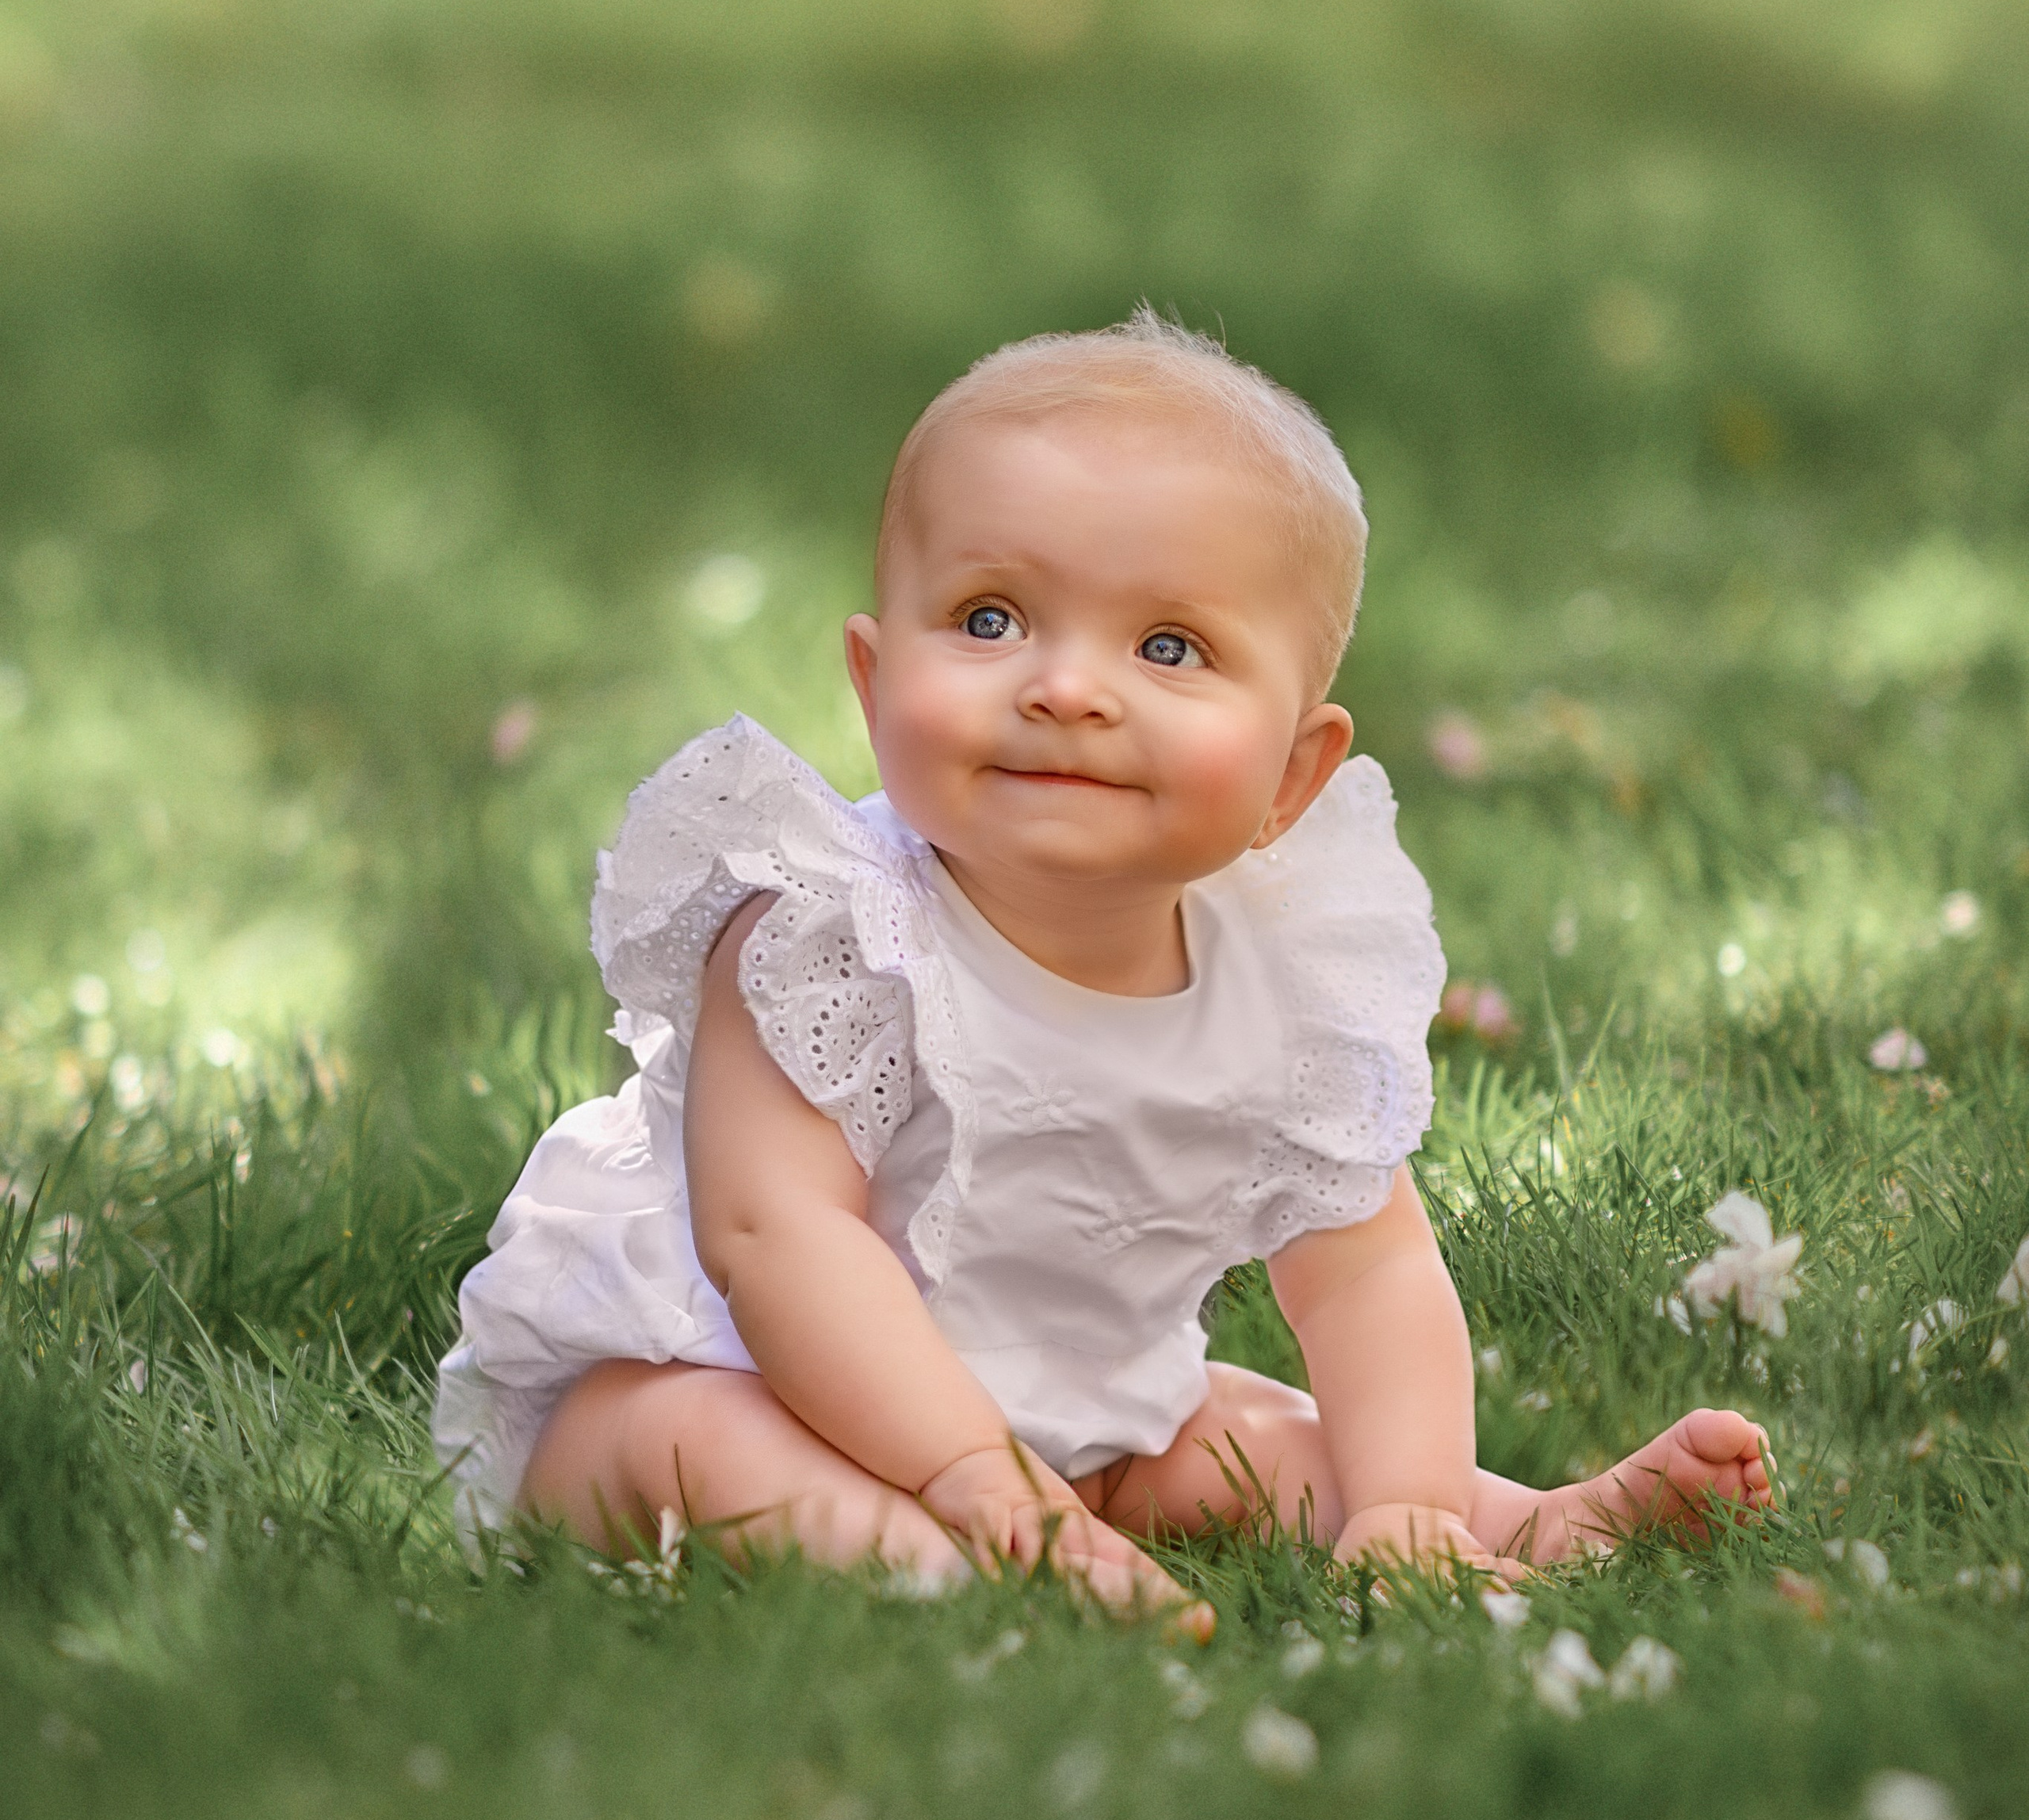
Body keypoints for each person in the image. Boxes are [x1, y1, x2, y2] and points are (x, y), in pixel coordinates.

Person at [433, 311, 1771, 1612]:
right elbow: (774, 1238)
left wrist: (1400, 1494)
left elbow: (1366, 1272)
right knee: (691, 1451)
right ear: (872, 674)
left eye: (1168, 647)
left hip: (1087, 1423)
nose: (1067, 687)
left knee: (1248, 1433)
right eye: (991, 619)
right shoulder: (827, 930)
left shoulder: (1286, 972)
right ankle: (953, 1560)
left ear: (1292, 777)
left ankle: (1483, 1518)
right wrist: (977, 1473)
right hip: (740, 1376)